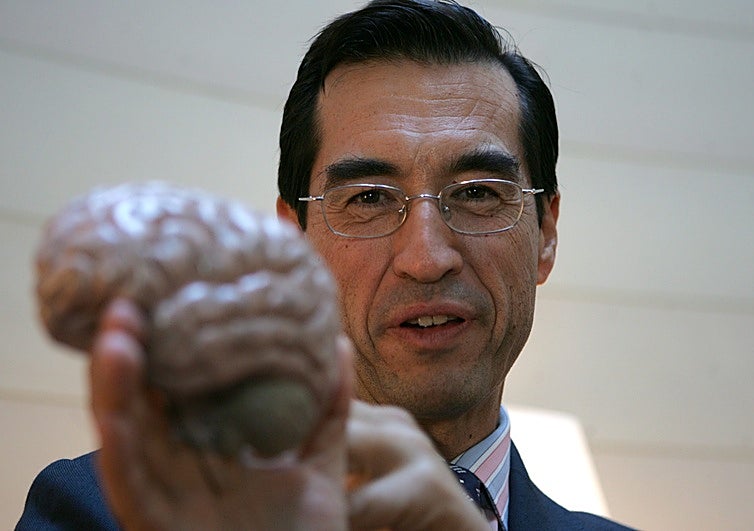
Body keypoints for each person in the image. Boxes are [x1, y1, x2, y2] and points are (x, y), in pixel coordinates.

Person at [17, 1, 635, 529]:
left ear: (546, 233)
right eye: (367, 199)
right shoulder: (96, 512)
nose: (427, 258)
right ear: (296, 242)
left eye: (477, 193)